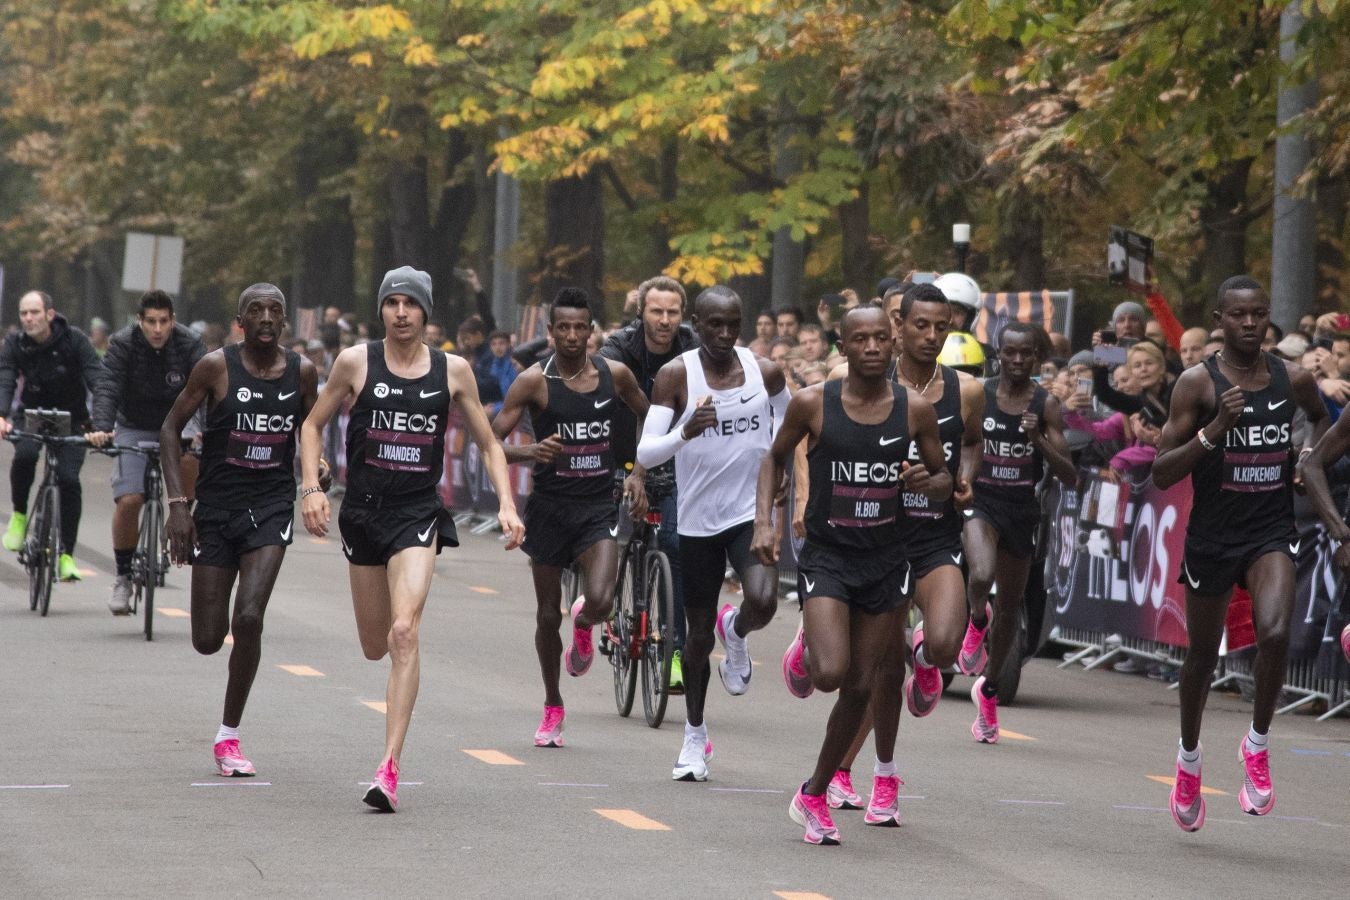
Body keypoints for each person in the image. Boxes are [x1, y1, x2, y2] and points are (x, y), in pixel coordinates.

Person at [299, 266, 524, 812]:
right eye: (392, 303)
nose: (401, 313)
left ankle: (389, 767)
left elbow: (490, 443)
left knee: (404, 631)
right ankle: (390, 754)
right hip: (364, 516)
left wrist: (508, 503)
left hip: (417, 514)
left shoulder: (454, 371)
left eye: (411, 304)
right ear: (382, 310)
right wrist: (311, 487)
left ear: (426, 312)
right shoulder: (356, 362)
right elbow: (311, 425)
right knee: (375, 643)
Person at [753, 305, 949, 844]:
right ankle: (812, 642)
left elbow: (942, 476)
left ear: (892, 344)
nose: (871, 348)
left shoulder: (914, 410)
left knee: (862, 685)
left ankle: (813, 793)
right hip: (829, 556)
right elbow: (772, 459)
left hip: (887, 560)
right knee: (831, 674)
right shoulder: (814, 403)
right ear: (842, 346)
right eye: (859, 339)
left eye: (880, 339)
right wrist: (763, 524)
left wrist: (926, 482)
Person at [1152, 275, 1327, 832]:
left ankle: (1256, 744)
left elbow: (1325, 422)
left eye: (1258, 314)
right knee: (1202, 658)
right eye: (1238, 315)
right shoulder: (1196, 386)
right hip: (1211, 536)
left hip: (1269, 530)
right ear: (1220, 319)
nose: (1250, 324)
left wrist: (1306, 460)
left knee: (1274, 633)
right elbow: (1160, 471)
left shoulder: (1292, 378)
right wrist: (1215, 431)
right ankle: (1189, 759)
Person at [158, 284, 319, 777]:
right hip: (218, 509)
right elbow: (170, 430)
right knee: (208, 639)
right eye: (257, 310)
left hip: (270, 507)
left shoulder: (303, 373)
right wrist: (179, 506)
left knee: (249, 617)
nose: (267, 317)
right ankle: (221, 654)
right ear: (240, 321)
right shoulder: (215, 367)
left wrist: (317, 473)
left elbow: (310, 432)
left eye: (276, 310)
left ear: (286, 321)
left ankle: (229, 735)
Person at [637, 285, 789, 781]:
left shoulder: (763, 371)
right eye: (714, 325)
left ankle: (738, 629)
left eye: (733, 324)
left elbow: (789, 420)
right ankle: (695, 736)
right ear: (696, 325)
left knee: (764, 600)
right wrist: (686, 430)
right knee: (696, 638)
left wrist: (784, 470)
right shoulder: (677, 374)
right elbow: (646, 453)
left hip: (750, 511)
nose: (724, 334)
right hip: (699, 518)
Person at [491, 288, 649, 747]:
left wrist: (638, 471)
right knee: (545, 617)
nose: (573, 335)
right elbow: (491, 441)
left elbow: (650, 418)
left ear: (592, 330)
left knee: (600, 600)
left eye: (581, 327)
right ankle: (553, 706)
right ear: (550, 332)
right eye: (564, 327)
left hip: (597, 506)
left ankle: (585, 624)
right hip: (548, 510)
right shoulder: (534, 382)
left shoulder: (614, 375)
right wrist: (528, 451)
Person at [962, 322, 1077, 743]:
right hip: (981, 501)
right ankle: (976, 622)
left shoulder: (1046, 405)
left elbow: (1069, 475)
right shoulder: (978, 394)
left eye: (1025, 353)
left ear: (1036, 358)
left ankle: (989, 693)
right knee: (980, 574)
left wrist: (1037, 440)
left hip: (1022, 510)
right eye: (1009, 352)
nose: (1016, 360)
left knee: (1010, 608)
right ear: (997, 352)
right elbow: (958, 443)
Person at [600, 276, 699, 690]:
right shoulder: (620, 347)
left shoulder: (695, 346)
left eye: (672, 312)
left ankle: (675, 650)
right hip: (621, 453)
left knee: (675, 545)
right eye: (656, 311)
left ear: (683, 315)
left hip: (676, 457)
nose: (664, 320)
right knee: (603, 538)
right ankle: (607, 611)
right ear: (641, 312)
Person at [87, 290, 206, 614]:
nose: (157, 329)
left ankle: (180, 520)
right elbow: (108, 384)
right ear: (139, 321)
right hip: (134, 425)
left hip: (178, 424)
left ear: (173, 321)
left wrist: (206, 432)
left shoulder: (190, 344)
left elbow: (207, 389)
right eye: (150, 322)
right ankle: (123, 577)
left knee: (192, 461)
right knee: (129, 500)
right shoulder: (123, 343)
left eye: (163, 322)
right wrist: (101, 425)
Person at [0, 291, 104, 580]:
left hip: (72, 418)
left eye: (34, 312)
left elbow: (97, 379)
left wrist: (103, 423)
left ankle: (67, 556)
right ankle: (20, 518)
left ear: (49, 314)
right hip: (31, 415)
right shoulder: (15, 343)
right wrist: (2, 415)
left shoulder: (76, 340)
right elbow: (6, 377)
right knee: (25, 455)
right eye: (23, 314)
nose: (28, 319)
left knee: (69, 480)